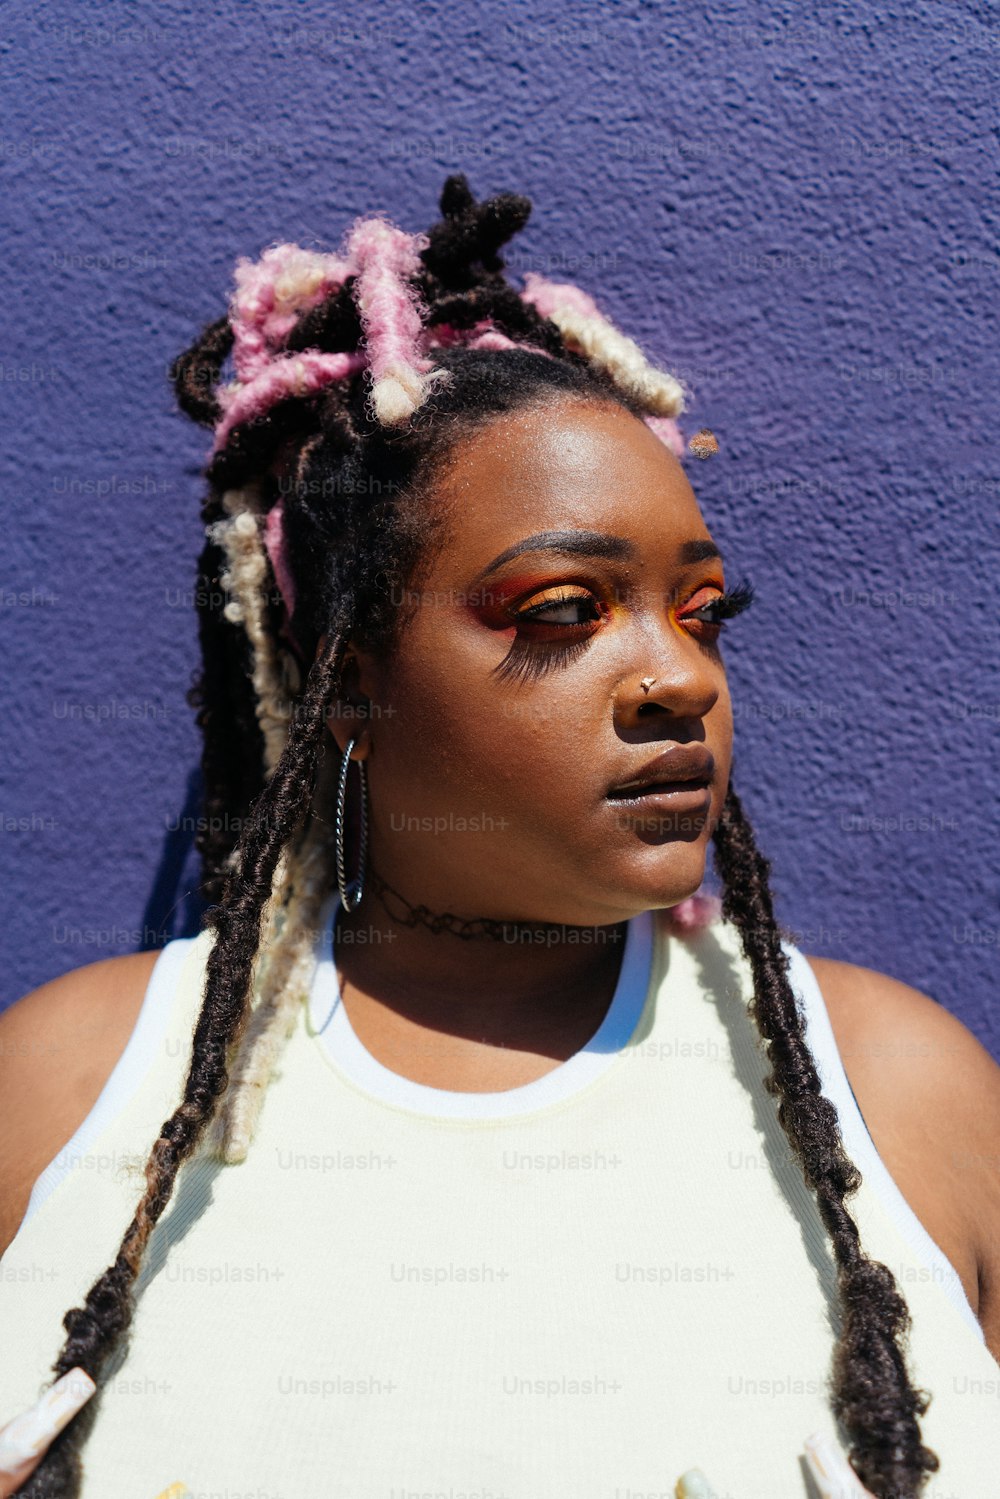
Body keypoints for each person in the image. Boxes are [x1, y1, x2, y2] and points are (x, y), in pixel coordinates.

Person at [0, 174, 998, 1499]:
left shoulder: (902, 1096)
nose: (678, 680)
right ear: (350, 678)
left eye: (701, 613)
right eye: (564, 610)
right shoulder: (69, 1093)